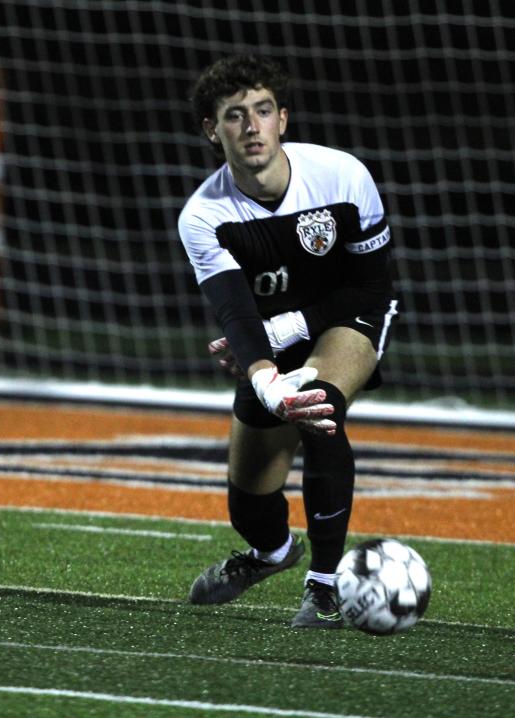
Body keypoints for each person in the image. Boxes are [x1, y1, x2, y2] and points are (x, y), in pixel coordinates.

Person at [177, 54, 398, 629]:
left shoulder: (342, 177)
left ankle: (324, 587)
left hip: (352, 317)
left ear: (283, 120)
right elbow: (234, 310)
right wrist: (262, 373)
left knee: (320, 407)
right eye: (234, 116)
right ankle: (271, 554)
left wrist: (287, 330)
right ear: (212, 129)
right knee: (250, 505)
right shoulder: (204, 216)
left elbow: (372, 285)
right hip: (271, 337)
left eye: (263, 110)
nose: (252, 127)